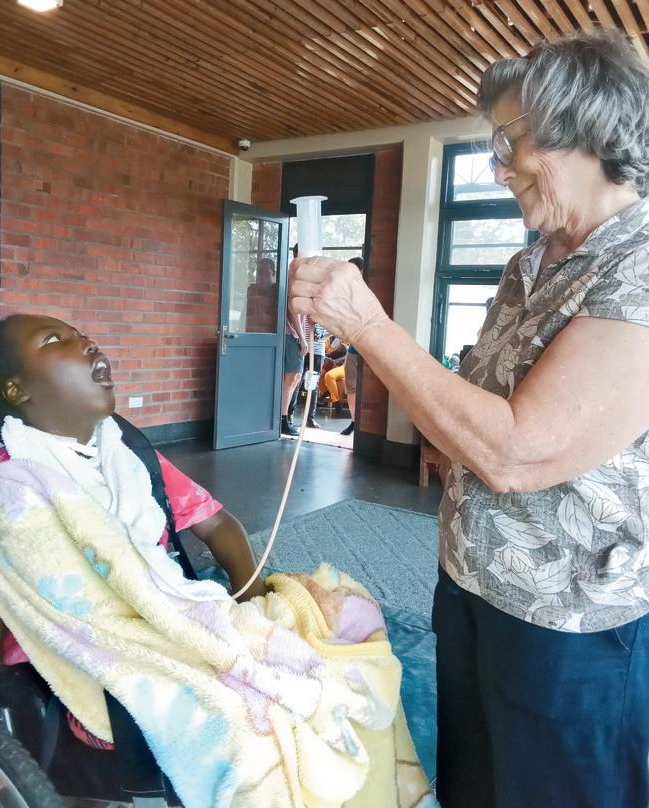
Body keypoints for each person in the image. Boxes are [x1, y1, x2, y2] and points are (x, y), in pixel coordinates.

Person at [290, 30, 649, 808]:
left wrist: (366, 324)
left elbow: (517, 453)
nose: (497, 168)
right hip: (468, 576)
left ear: (584, 129)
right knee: (473, 781)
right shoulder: (527, 263)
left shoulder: (640, 261)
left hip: (569, 615)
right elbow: (466, 416)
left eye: (509, 143)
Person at [0, 314, 430, 806]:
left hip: (172, 610)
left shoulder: (124, 452)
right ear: (17, 389)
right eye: (55, 341)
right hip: (88, 653)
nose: (87, 342)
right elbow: (69, 608)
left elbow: (218, 525)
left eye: (82, 332)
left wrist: (250, 598)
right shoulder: (15, 487)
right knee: (254, 719)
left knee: (348, 611)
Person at [281, 245, 308, 436]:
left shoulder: (300, 275)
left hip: (294, 334)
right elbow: (293, 310)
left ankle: (285, 417)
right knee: (292, 377)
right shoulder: (295, 275)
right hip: (291, 334)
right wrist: (302, 338)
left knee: (295, 378)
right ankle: (283, 419)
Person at [287, 317, 326, 429]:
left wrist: (321, 334)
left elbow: (332, 328)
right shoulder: (305, 309)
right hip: (302, 347)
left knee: (313, 384)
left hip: (317, 350)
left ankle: (310, 418)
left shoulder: (324, 311)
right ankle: (289, 414)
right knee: (296, 381)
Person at [341, 257, 364, 436]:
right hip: (353, 348)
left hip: (367, 349)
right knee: (351, 387)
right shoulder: (347, 290)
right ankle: (354, 422)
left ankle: (359, 423)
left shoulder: (366, 291)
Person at [244, 256, 277, 333]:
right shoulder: (252, 290)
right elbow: (244, 314)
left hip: (271, 336)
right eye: (260, 272)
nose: (262, 276)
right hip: (251, 334)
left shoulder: (277, 291)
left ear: (273, 273)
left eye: (267, 273)